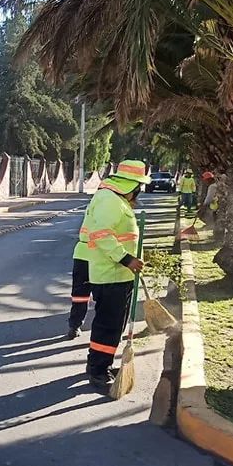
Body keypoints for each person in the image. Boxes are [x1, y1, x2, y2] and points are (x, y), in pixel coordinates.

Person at [85, 160, 149, 388]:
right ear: (131, 186)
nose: (139, 192)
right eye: (138, 187)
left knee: (113, 325)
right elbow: (102, 235)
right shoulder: (109, 200)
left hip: (120, 275)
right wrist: (127, 259)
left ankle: (100, 363)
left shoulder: (117, 201)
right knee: (108, 325)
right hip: (111, 274)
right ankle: (98, 371)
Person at [67, 192, 97, 339]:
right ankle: (101, 332)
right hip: (100, 257)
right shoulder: (113, 206)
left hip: (82, 253)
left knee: (80, 294)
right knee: (105, 296)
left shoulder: (94, 203)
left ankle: (74, 325)